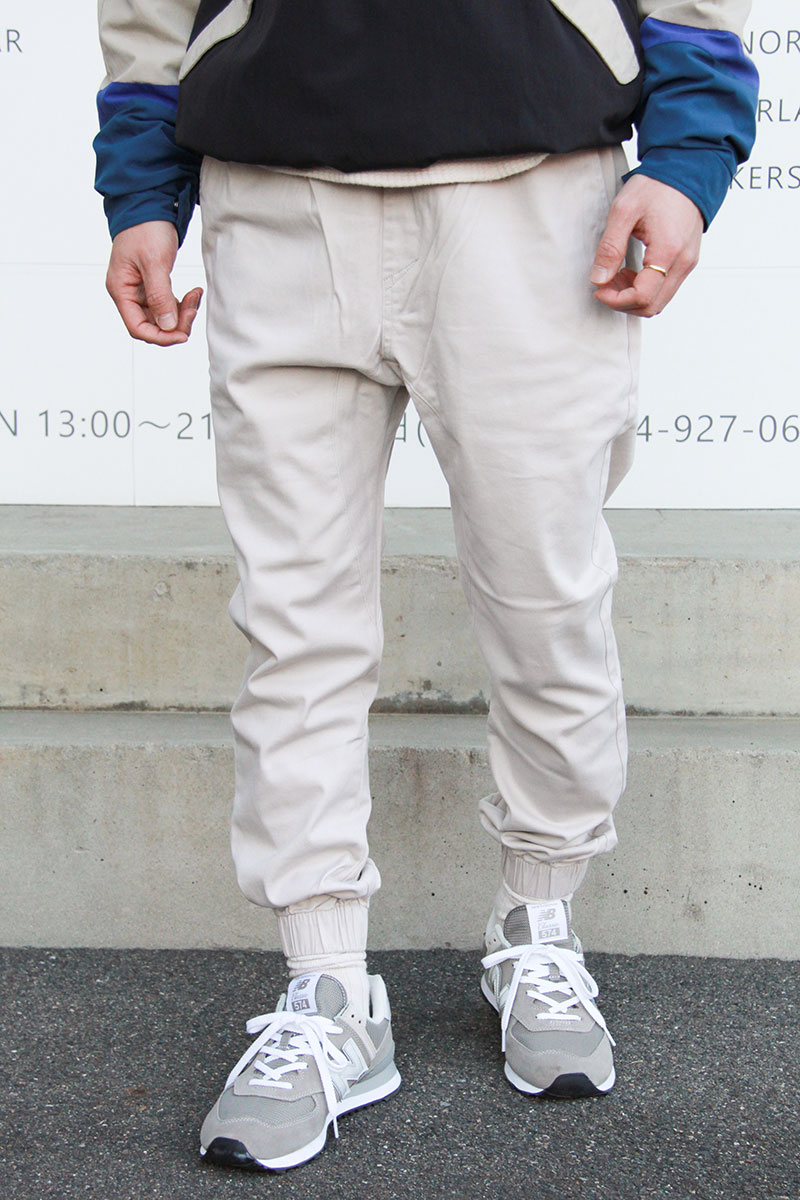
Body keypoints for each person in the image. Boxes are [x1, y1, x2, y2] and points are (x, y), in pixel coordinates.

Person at [94, 0, 758, 1173]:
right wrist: (144, 185)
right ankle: (326, 988)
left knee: (544, 598)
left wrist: (688, 151)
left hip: (536, 184)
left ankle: (537, 919)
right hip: (274, 186)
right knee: (294, 623)